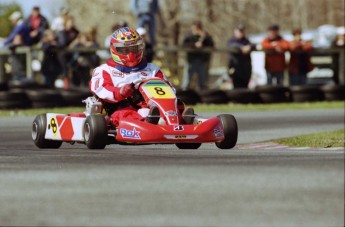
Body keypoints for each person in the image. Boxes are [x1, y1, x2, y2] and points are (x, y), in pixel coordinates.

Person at [89, 27, 193, 127]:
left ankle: (180, 119)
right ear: (115, 49)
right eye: (125, 50)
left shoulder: (152, 69)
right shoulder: (105, 70)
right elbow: (101, 89)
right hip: (121, 107)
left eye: (134, 49)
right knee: (124, 114)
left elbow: (168, 88)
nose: (131, 54)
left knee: (177, 104)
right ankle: (147, 123)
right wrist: (121, 91)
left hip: (151, 107)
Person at [181, 20, 214, 90]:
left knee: (202, 81)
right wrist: (194, 45)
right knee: (187, 81)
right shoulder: (189, 35)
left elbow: (212, 45)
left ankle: (203, 95)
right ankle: (184, 94)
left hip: (202, 61)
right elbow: (184, 45)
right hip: (191, 61)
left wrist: (205, 37)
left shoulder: (205, 36)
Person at [227, 24, 255, 88]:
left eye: (242, 31)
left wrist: (249, 47)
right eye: (239, 31)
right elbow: (231, 46)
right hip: (235, 67)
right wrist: (241, 48)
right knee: (236, 86)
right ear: (235, 31)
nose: (241, 33)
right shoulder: (231, 41)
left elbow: (253, 45)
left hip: (246, 68)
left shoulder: (246, 41)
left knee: (245, 86)